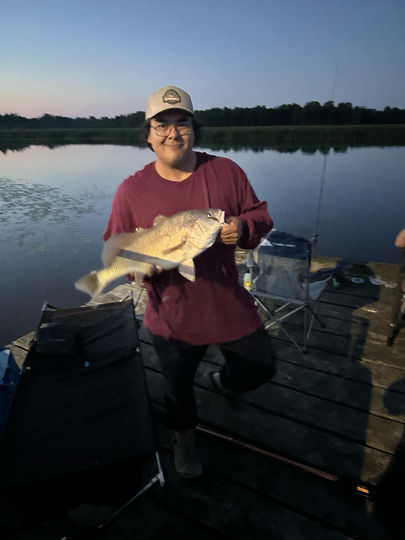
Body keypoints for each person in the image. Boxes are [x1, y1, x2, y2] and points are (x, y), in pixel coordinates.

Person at [104, 85, 277, 478]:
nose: (172, 133)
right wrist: (134, 266)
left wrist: (243, 226)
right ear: (148, 135)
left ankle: (223, 381)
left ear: (194, 129)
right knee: (177, 386)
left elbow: (261, 215)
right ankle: (184, 437)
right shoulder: (131, 189)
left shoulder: (226, 171)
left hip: (226, 300)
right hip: (172, 313)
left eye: (181, 123)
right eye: (161, 125)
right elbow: (115, 247)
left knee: (260, 367)